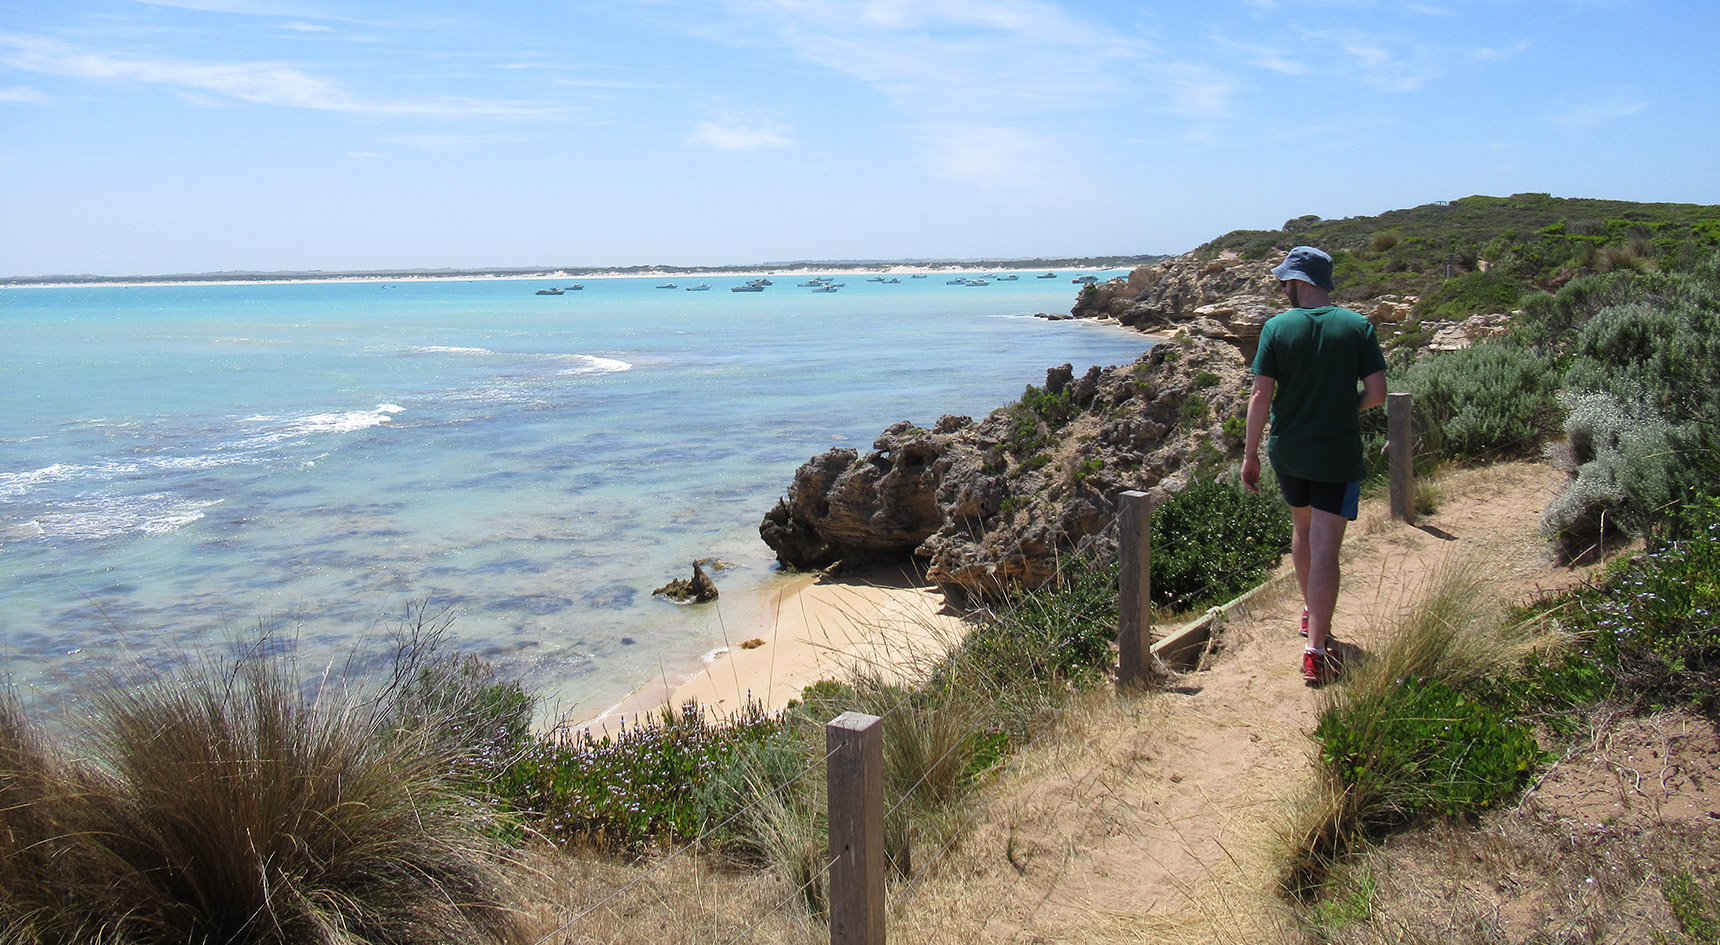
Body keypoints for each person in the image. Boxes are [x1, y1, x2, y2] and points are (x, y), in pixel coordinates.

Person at [1241, 246, 1388, 686]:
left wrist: (1250, 455)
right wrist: (1344, 411)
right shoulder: (1357, 326)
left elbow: (1260, 397)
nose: (1283, 287)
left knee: (1302, 530)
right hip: (1336, 455)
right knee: (1327, 548)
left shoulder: (1276, 328)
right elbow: (1378, 392)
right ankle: (1316, 649)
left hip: (1289, 452)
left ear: (1299, 281)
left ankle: (1309, 612)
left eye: (1285, 280)